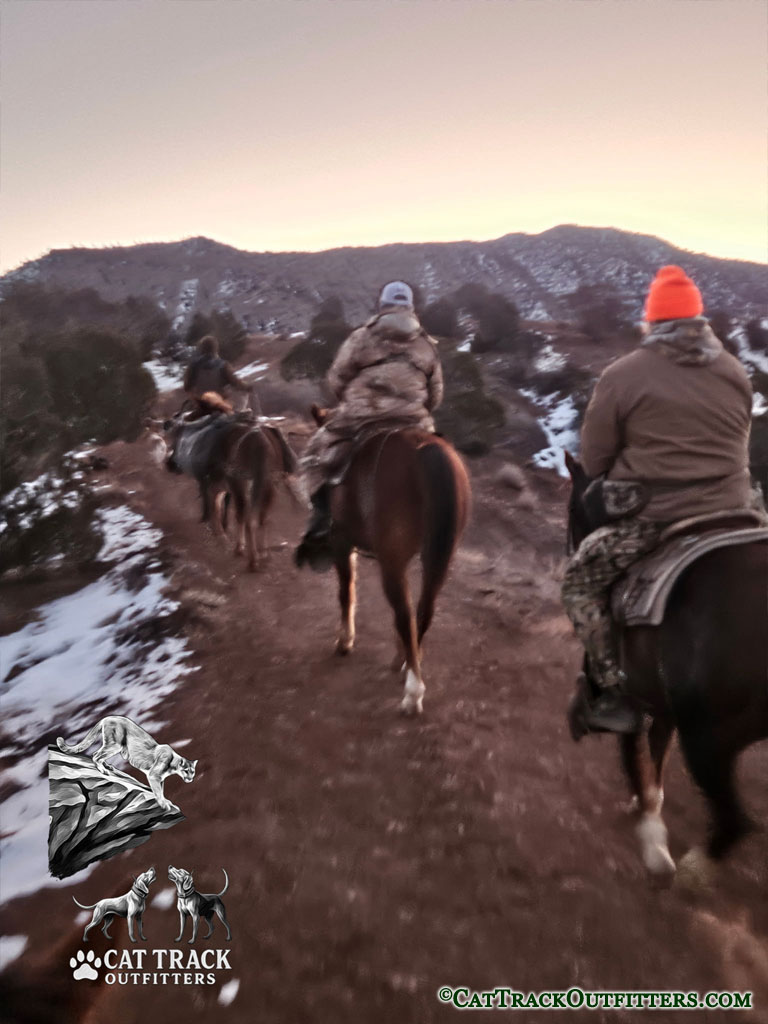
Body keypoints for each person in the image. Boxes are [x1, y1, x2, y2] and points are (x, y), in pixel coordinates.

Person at [562, 264, 759, 735]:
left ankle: (609, 693)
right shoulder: (734, 369)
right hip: (739, 511)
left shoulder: (624, 374)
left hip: (655, 517)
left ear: (652, 322)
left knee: (580, 584)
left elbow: (594, 459)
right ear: (698, 321)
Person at [296, 281, 444, 557]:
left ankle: (320, 527)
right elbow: (436, 394)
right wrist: (418, 410)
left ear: (381, 306)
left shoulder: (361, 337)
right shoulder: (426, 345)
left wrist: (349, 402)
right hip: (414, 421)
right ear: (411, 307)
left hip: (362, 416)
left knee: (315, 458)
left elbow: (337, 378)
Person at [183, 335, 251, 407]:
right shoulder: (223, 365)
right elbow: (236, 383)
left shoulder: (193, 366)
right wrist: (247, 387)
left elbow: (186, 386)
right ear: (216, 349)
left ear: (201, 349)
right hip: (219, 404)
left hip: (199, 404)